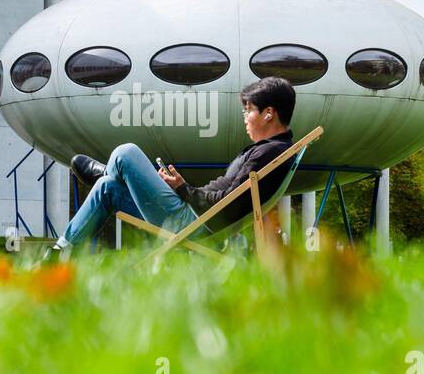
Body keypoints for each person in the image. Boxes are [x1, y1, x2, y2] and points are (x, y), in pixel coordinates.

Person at [45, 76, 297, 258]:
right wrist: (181, 188)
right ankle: (61, 252)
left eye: (249, 110)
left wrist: (185, 190)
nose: (245, 117)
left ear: (269, 113)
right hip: (194, 217)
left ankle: (110, 171)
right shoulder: (274, 151)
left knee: (126, 153)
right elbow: (229, 199)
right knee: (106, 188)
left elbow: (228, 202)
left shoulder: (267, 153)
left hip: (193, 224)